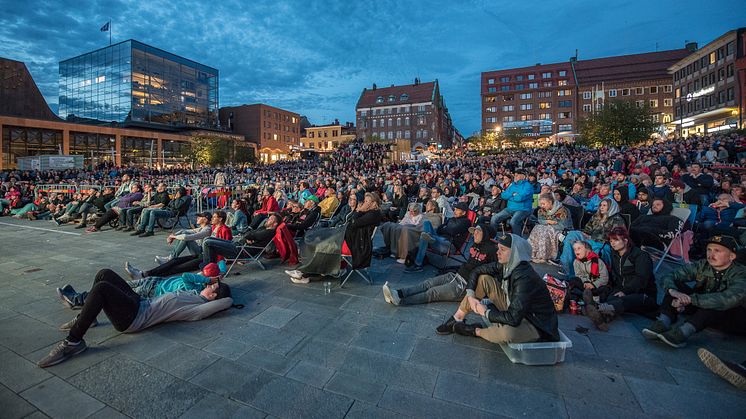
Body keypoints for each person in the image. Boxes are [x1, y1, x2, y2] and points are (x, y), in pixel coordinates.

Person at [38, 268, 232, 367]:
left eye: (211, 288)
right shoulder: (193, 293)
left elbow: (226, 302)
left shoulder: (196, 308)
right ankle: (88, 316)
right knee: (104, 274)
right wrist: (210, 281)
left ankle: (73, 342)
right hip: (139, 302)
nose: (208, 286)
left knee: (102, 288)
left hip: (135, 317)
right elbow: (192, 277)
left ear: (213, 296)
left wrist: (222, 293)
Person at [434, 234, 559, 344]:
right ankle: (457, 318)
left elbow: (514, 319)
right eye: (498, 248)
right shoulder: (506, 264)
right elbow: (477, 271)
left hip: (534, 323)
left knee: (507, 334)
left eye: (503, 250)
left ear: (516, 253)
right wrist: (471, 296)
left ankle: (474, 331)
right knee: (484, 279)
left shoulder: (524, 278)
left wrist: (485, 312)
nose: (498, 252)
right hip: (514, 307)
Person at [642, 235, 746, 348]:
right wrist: (674, 292)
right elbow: (671, 275)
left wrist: (691, 300)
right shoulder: (703, 265)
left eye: (717, 251)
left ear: (732, 256)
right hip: (701, 307)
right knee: (676, 286)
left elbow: (728, 299)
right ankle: (663, 322)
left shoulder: (741, 273)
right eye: (709, 250)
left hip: (732, 318)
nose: (711, 255)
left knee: (716, 303)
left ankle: (682, 332)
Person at [382, 224, 497, 306]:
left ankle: (400, 301)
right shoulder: (475, 246)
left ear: (486, 234)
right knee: (428, 283)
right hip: (456, 276)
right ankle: (398, 293)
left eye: (478, 231)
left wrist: (482, 296)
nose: (474, 234)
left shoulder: (492, 250)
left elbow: (495, 274)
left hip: (464, 287)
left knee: (432, 293)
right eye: (474, 231)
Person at [583, 227, 657, 331]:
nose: (613, 243)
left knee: (623, 300)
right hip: (621, 289)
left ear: (625, 241)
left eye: (616, 240)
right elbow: (615, 277)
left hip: (643, 294)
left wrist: (625, 291)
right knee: (608, 294)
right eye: (611, 240)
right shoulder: (615, 255)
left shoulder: (640, 256)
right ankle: (601, 316)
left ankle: (597, 308)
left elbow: (642, 279)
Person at [555, 198, 624, 276]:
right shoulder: (597, 216)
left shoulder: (617, 219)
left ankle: (575, 272)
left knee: (581, 245)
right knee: (572, 235)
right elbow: (588, 228)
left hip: (602, 243)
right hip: (590, 238)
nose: (601, 207)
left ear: (611, 207)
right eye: (600, 205)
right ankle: (566, 265)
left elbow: (615, 236)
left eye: (604, 205)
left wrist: (592, 237)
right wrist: (585, 233)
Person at [405, 202, 471, 273]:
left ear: (464, 212)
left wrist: (445, 228)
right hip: (440, 238)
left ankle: (418, 264)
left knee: (424, 237)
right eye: (455, 209)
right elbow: (440, 229)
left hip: (449, 244)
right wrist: (446, 229)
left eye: (457, 210)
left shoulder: (466, 222)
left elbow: (452, 231)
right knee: (426, 223)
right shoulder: (452, 219)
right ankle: (430, 237)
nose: (454, 211)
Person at [202, 213, 279, 264]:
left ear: (275, 224)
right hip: (238, 245)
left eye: (270, 219)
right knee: (207, 238)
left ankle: (208, 269)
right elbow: (248, 234)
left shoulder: (269, 232)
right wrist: (249, 237)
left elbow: (248, 234)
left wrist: (249, 237)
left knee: (207, 243)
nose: (268, 219)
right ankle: (211, 266)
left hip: (241, 250)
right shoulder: (264, 228)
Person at [527, 193, 571, 263]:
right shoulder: (542, 210)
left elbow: (563, 225)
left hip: (560, 229)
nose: (542, 206)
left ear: (550, 202)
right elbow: (540, 220)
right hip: (548, 226)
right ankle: (532, 253)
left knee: (543, 230)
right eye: (541, 204)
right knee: (537, 228)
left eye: (543, 204)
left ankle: (543, 255)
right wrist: (548, 222)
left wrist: (548, 225)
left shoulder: (562, 210)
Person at [490, 171, 533, 236]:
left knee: (513, 221)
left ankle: (517, 240)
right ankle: (493, 237)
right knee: (494, 218)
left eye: (517, 175)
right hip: (510, 208)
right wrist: (513, 195)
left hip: (523, 209)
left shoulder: (528, 186)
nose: (515, 177)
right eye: (514, 175)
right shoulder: (513, 185)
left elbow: (520, 198)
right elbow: (503, 195)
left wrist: (510, 196)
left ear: (523, 176)